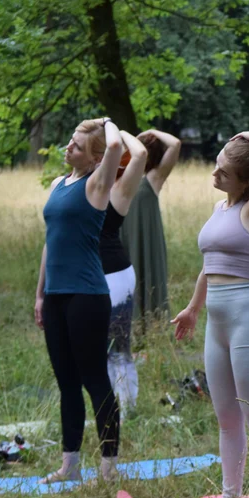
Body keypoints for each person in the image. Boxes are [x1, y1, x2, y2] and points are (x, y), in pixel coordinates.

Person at [172, 132, 249, 498]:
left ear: (248, 181)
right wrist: (192, 307)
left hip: (248, 319)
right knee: (226, 419)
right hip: (216, 323)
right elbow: (210, 264)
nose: (215, 171)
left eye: (226, 170)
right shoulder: (222, 208)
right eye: (217, 161)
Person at [35, 118, 127, 483]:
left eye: (76, 145)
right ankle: (69, 466)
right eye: (69, 141)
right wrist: (40, 293)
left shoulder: (97, 184)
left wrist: (107, 123)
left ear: (93, 158)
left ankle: (108, 467)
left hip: (87, 295)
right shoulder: (59, 184)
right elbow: (50, 240)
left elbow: (118, 149)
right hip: (56, 295)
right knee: (66, 382)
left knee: (94, 379)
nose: (67, 147)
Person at [100, 135, 149, 418]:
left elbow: (139, 154)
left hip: (115, 276)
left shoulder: (117, 191)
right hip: (88, 276)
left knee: (118, 346)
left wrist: (111, 127)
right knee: (99, 349)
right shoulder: (79, 185)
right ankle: (109, 406)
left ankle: (127, 409)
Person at [120, 129, 181, 326]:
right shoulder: (122, 176)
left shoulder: (153, 177)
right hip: (124, 237)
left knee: (147, 276)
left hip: (146, 239)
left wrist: (151, 131)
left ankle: (150, 328)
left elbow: (175, 144)